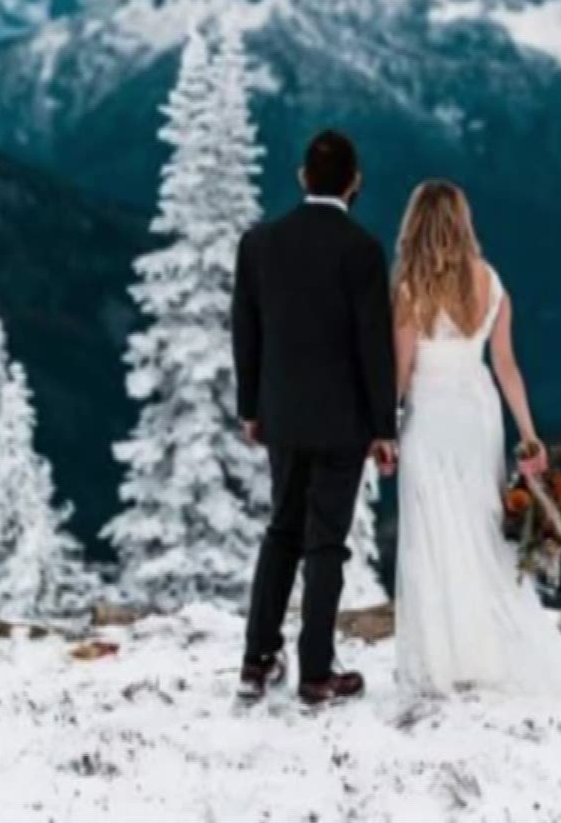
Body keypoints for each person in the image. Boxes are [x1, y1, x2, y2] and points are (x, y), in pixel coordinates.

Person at [390, 179, 561, 696]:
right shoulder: (490, 281)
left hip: (430, 412)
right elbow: (506, 365)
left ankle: (442, 658)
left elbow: (401, 373)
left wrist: (384, 426)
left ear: (416, 224)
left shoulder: (409, 288)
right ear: (462, 224)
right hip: (478, 409)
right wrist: (529, 434)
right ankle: (485, 650)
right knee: (482, 525)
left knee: (433, 530)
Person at [232, 129, 397, 707]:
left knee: (281, 530)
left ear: (303, 178)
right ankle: (316, 673)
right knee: (325, 543)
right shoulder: (364, 251)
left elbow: (245, 335)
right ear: (355, 183)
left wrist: (250, 408)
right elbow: (375, 346)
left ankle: (256, 662)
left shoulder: (259, 243)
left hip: (281, 415)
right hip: (343, 422)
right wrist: (384, 426)